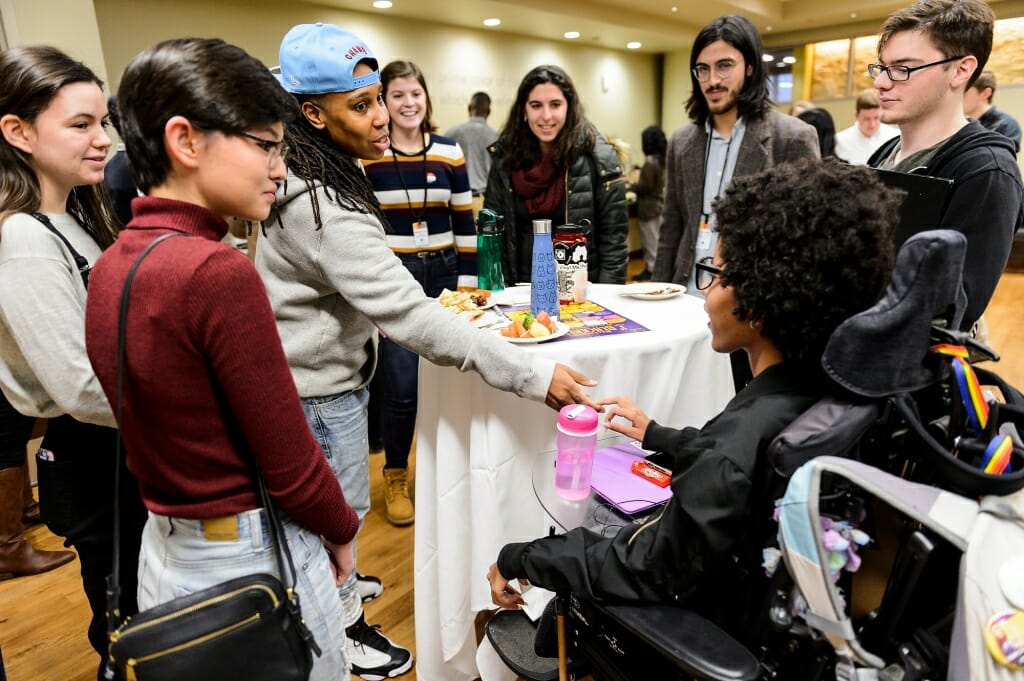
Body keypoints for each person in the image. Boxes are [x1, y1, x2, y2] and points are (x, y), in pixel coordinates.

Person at [257, 23, 597, 680]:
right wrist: (529, 375)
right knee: (340, 516)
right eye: (361, 106)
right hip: (318, 392)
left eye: (378, 96)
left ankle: (340, 594)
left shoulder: (313, 165)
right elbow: (411, 313)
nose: (381, 116)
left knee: (334, 518)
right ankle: (340, 628)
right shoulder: (319, 200)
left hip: (323, 375)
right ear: (311, 113)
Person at [487, 158, 899, 642]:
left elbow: (642, 563)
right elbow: (744, 460)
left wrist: (520, 557)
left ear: (764, 299)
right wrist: (657, 434)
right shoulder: (823, 386)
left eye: (716, 276)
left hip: (708, 622)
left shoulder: (731, 447)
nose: (704, 295)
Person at [83, 37, 360, 681]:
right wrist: (340, 527)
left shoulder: (114, 262)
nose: (280, 168)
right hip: (246, 556)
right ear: (185, 142)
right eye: (266, 144)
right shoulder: (214, 271)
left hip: (167, 546)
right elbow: (288, 457)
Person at [0, 45, 147, 679]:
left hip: (121, 447)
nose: (101, 140)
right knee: (129, 627)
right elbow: (82, 386)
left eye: (102, 122)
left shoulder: (75, 217)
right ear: (18, 131)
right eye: (79, 124)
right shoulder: (25, 238)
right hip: (95, 455)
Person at [651, 14, 818, 391]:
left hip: (752, 314)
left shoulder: (792, 137)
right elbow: (671, 228)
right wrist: (658, 300)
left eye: (725, 66)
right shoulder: (682, 141)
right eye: (702, 69)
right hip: (685, 302)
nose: (712, 80)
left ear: (750, 67)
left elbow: (803, 242)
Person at [363, 60, 476, 526]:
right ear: (383, 103)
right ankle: (395, 473)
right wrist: (371, 305)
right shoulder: (369, 159)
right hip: (397, 276)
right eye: (397, 95)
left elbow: (465, 223)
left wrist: (469, 289)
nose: (408, 103)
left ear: (426, 98)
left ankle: (450, 470)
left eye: (416, 94)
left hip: (446, 272)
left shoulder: (449, 152)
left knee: (454, 376)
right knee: (404, 387)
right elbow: (365, 234)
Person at [867, 0, 1024, 333]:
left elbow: (951, 309)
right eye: (881, 68)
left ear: (961, 70)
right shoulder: (884, 154)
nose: (881, 82)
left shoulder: (987, 172)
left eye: (903, 68)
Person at [483, 64, 628, 285]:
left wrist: (606, 303)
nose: (546, 116)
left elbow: (614, 244)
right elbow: (492, 237)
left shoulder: (599, 159)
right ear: (524, 109)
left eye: (555, 104)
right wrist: (497, 291)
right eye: (536, 105)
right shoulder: (505, 159)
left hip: (581, 294)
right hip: (519, 290)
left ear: (569, 107)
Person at [445, 91, 499, 202]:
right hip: (486, 200)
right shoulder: (497, 138)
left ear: (469, 108)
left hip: (457, 199)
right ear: (489, 111)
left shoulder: (451, 134)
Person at [633, 125, 667, 280]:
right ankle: (652, 269)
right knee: (656, 241)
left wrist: (630, 184)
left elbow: (644, 187)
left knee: (650, 243)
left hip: (648, 208)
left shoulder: (650, 162)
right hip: (658, 206)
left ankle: (652, 271)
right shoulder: (662, 159)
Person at [834, 89, 899, 165]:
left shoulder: (895, 137)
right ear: (856, 116)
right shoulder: (840, 141)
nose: (872, 124)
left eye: (876, 118)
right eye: (867, 119)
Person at [963, 70, 1022, 154]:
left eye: (965, 92)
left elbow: (1002, 159)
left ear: (986, 93)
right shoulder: (961, 124)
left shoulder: (1007, 125)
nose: (958, 98)